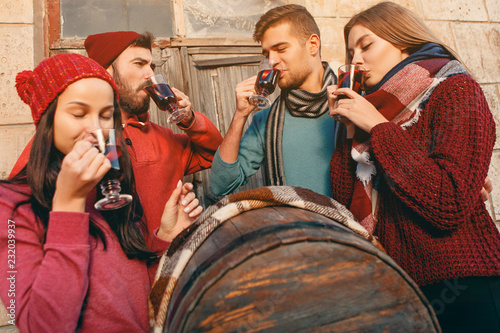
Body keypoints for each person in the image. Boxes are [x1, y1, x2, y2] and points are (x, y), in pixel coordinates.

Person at [327, 2, 500, 331]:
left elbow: (447, 203)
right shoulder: (367, 110)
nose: (356, 60)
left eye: (366, 45)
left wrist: (379, 127)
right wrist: (347, 130)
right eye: (351, 52)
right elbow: (345, 201)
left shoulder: (457, 91)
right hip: (395, 288)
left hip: (465, 284)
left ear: (403, 41)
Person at [0, 53, 201, 331]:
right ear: (46, 119)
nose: (96, 129)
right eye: (79, 113)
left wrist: (166, 238)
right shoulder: (10, 204)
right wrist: (68, 204)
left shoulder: (114, 192)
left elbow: (140, 299)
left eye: (106, 115)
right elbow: (43, 326)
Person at [10, 31, 223, 237]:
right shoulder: (69, 141)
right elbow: (19, 216)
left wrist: (189, 119)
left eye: (152, 66)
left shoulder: (163, 137)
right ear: (107, 71)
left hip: (168, 265)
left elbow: (215, 154)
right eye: (140, 64)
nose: (150, 74)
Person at [208, 4, 338, 197]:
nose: (272, 61)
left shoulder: (352, 104)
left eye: (280, 49)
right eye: (267, 53)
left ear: (313, 45)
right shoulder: (266, 120)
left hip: (346, 226)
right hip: (290, 225)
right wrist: (240, 115)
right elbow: (221, 187)